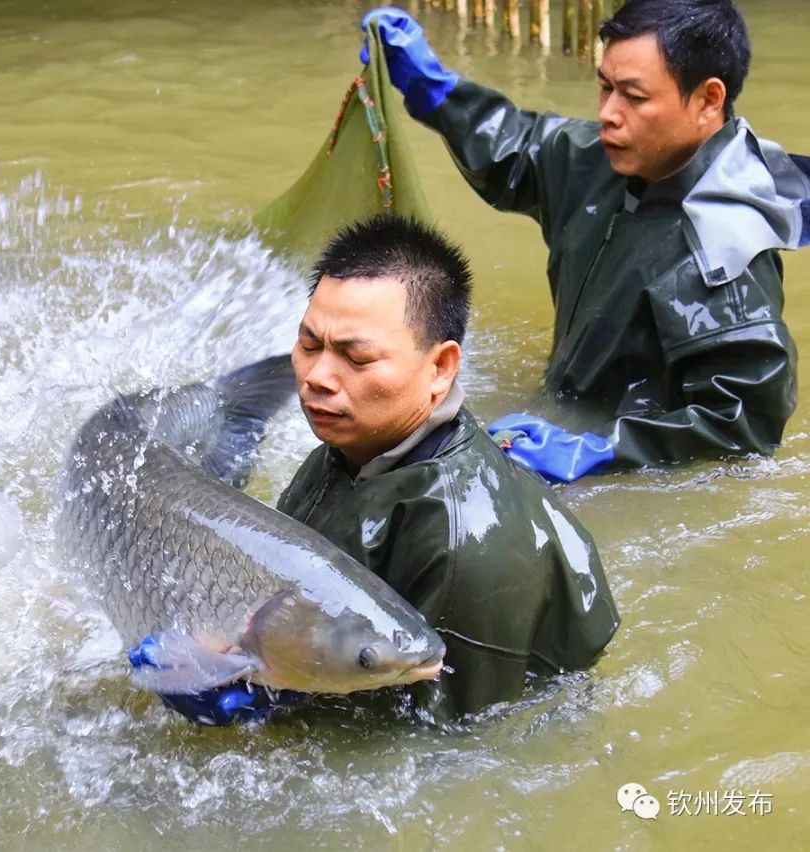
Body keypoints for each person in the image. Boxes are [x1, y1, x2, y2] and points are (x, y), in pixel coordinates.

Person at [136, 213, 620, 724]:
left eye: (356, 358)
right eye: (309, 344)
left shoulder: (467, 546)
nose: (318, 376)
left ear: (440, 368)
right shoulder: (359, 441)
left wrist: (272, 709)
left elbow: (447, 752)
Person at [360, 0, 810, 482]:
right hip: (564, 406)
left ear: (708, 100)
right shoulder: (610, 158)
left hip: (623, 476)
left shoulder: (723, 251)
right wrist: (435, 90)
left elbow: (742, 428)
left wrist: (596, 452)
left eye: (634, 97)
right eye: (604, 87)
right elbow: (518, 150)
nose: (609, 113)